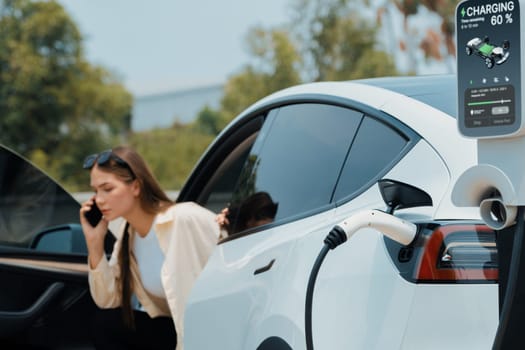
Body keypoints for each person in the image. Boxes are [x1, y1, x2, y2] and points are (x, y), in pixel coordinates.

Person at [79, 146, 219, 350]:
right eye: (95, 191)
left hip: (212, 332)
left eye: (107, 189)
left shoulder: (183, 220)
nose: (99, 200)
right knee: (106, 323)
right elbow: (107, 300)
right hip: (176, 332)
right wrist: (94, 243)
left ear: (136, 187)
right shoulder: (129, 236)